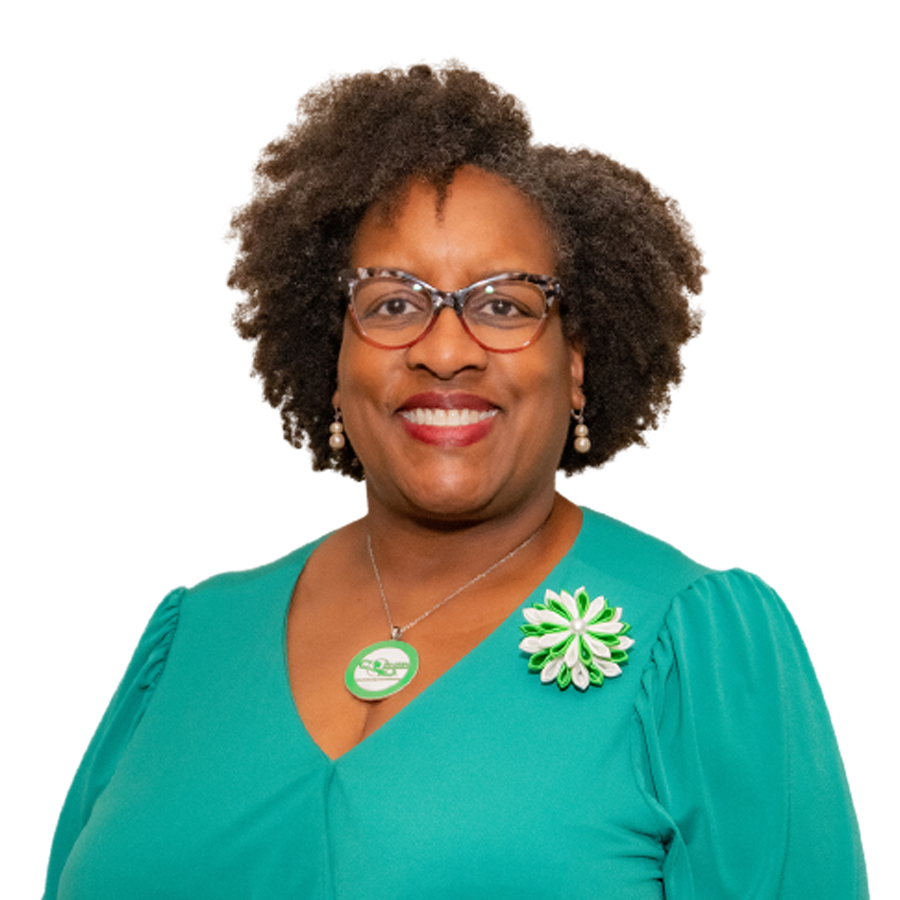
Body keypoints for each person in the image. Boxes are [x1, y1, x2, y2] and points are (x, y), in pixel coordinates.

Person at [45, 68, 866, 899]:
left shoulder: (697, 645)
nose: (445, 350)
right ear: (335, 361)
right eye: (393, 304)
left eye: (504, 306)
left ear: (575, 365)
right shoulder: (190, 638)